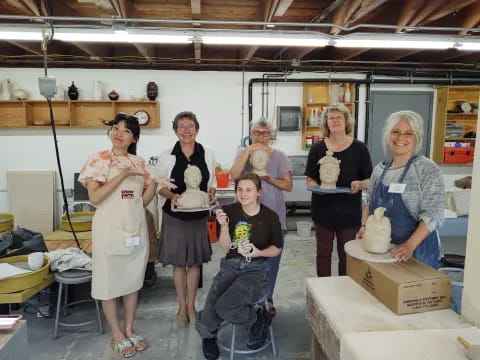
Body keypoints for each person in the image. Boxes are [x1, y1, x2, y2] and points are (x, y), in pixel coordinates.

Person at [79, 113, 174, 358]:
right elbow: (95, 198)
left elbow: (140, 202)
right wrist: (121, 174)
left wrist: (154, 183)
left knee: (132, 281)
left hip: (134, 228)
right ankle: (116, 333)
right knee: (109, 283)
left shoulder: (139, 162)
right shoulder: (99, 159)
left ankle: (130, 328)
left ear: (134, 138)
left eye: (126, 130)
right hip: (109, 230)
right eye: (115, 128)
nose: (119, 133)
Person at [196, 173, 283, 360]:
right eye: (240, 190)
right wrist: (224, 227)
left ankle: (257, 319)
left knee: (225, 308)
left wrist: (258, 252)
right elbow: (227, 248)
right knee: (209, 315)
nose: (243, 194)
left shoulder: (270, 217)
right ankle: (209, 336)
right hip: (231, 266)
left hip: (256, 270)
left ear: (259, 192)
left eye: (249, 190)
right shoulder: (230, 211)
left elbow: (276, 248)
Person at [358, 110, 445, 268]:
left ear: (417, 137)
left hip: (418, 252)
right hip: (383, 250)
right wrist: (364, 226)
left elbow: (434, 214)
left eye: (408, 133)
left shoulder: (426, 169)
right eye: (395, 132)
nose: (400, 138)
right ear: (387, 135)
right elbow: (368, 200)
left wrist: (410, 245)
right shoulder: (379, 170)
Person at [153, 111, 216, 327]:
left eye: (190, 126)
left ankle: (192, 306)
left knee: (195, 262)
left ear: (197, 129)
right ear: (175, 130)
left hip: (199, 214)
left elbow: (211, 182)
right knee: (179, 264)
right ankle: (181, 306)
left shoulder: (207, 153)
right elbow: (159, 186)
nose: (186, 131)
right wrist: (172, 196)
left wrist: (212, 194)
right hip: (176, 215)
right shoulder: (166, 156)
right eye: (181, 127)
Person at [229, 119, 292, 316]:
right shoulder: (243, 153)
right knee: (243, 259)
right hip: (244, 218)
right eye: (257, 132)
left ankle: (267, 299)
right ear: (251, 134)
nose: (260, 136)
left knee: (271, 262)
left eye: (265, 133)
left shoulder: (279, 156)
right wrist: (247, 152)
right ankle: (246, 300)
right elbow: (233, 175)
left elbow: (288, 185)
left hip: (274, 218)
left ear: (270, 136)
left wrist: (268, 179)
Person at [305, 103, 372, 277]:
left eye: (339, 117)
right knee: (323, 255)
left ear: (346, 121)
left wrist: (359, 184)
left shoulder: (359, 148)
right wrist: (317, 188)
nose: (335, 121)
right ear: (326, 123)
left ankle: (344, 290)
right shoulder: (317, 148)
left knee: (347, 255)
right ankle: (323, 292)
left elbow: (370, 180)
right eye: (331, 118)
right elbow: (310, 179)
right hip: (323, 212)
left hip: (349, 213)